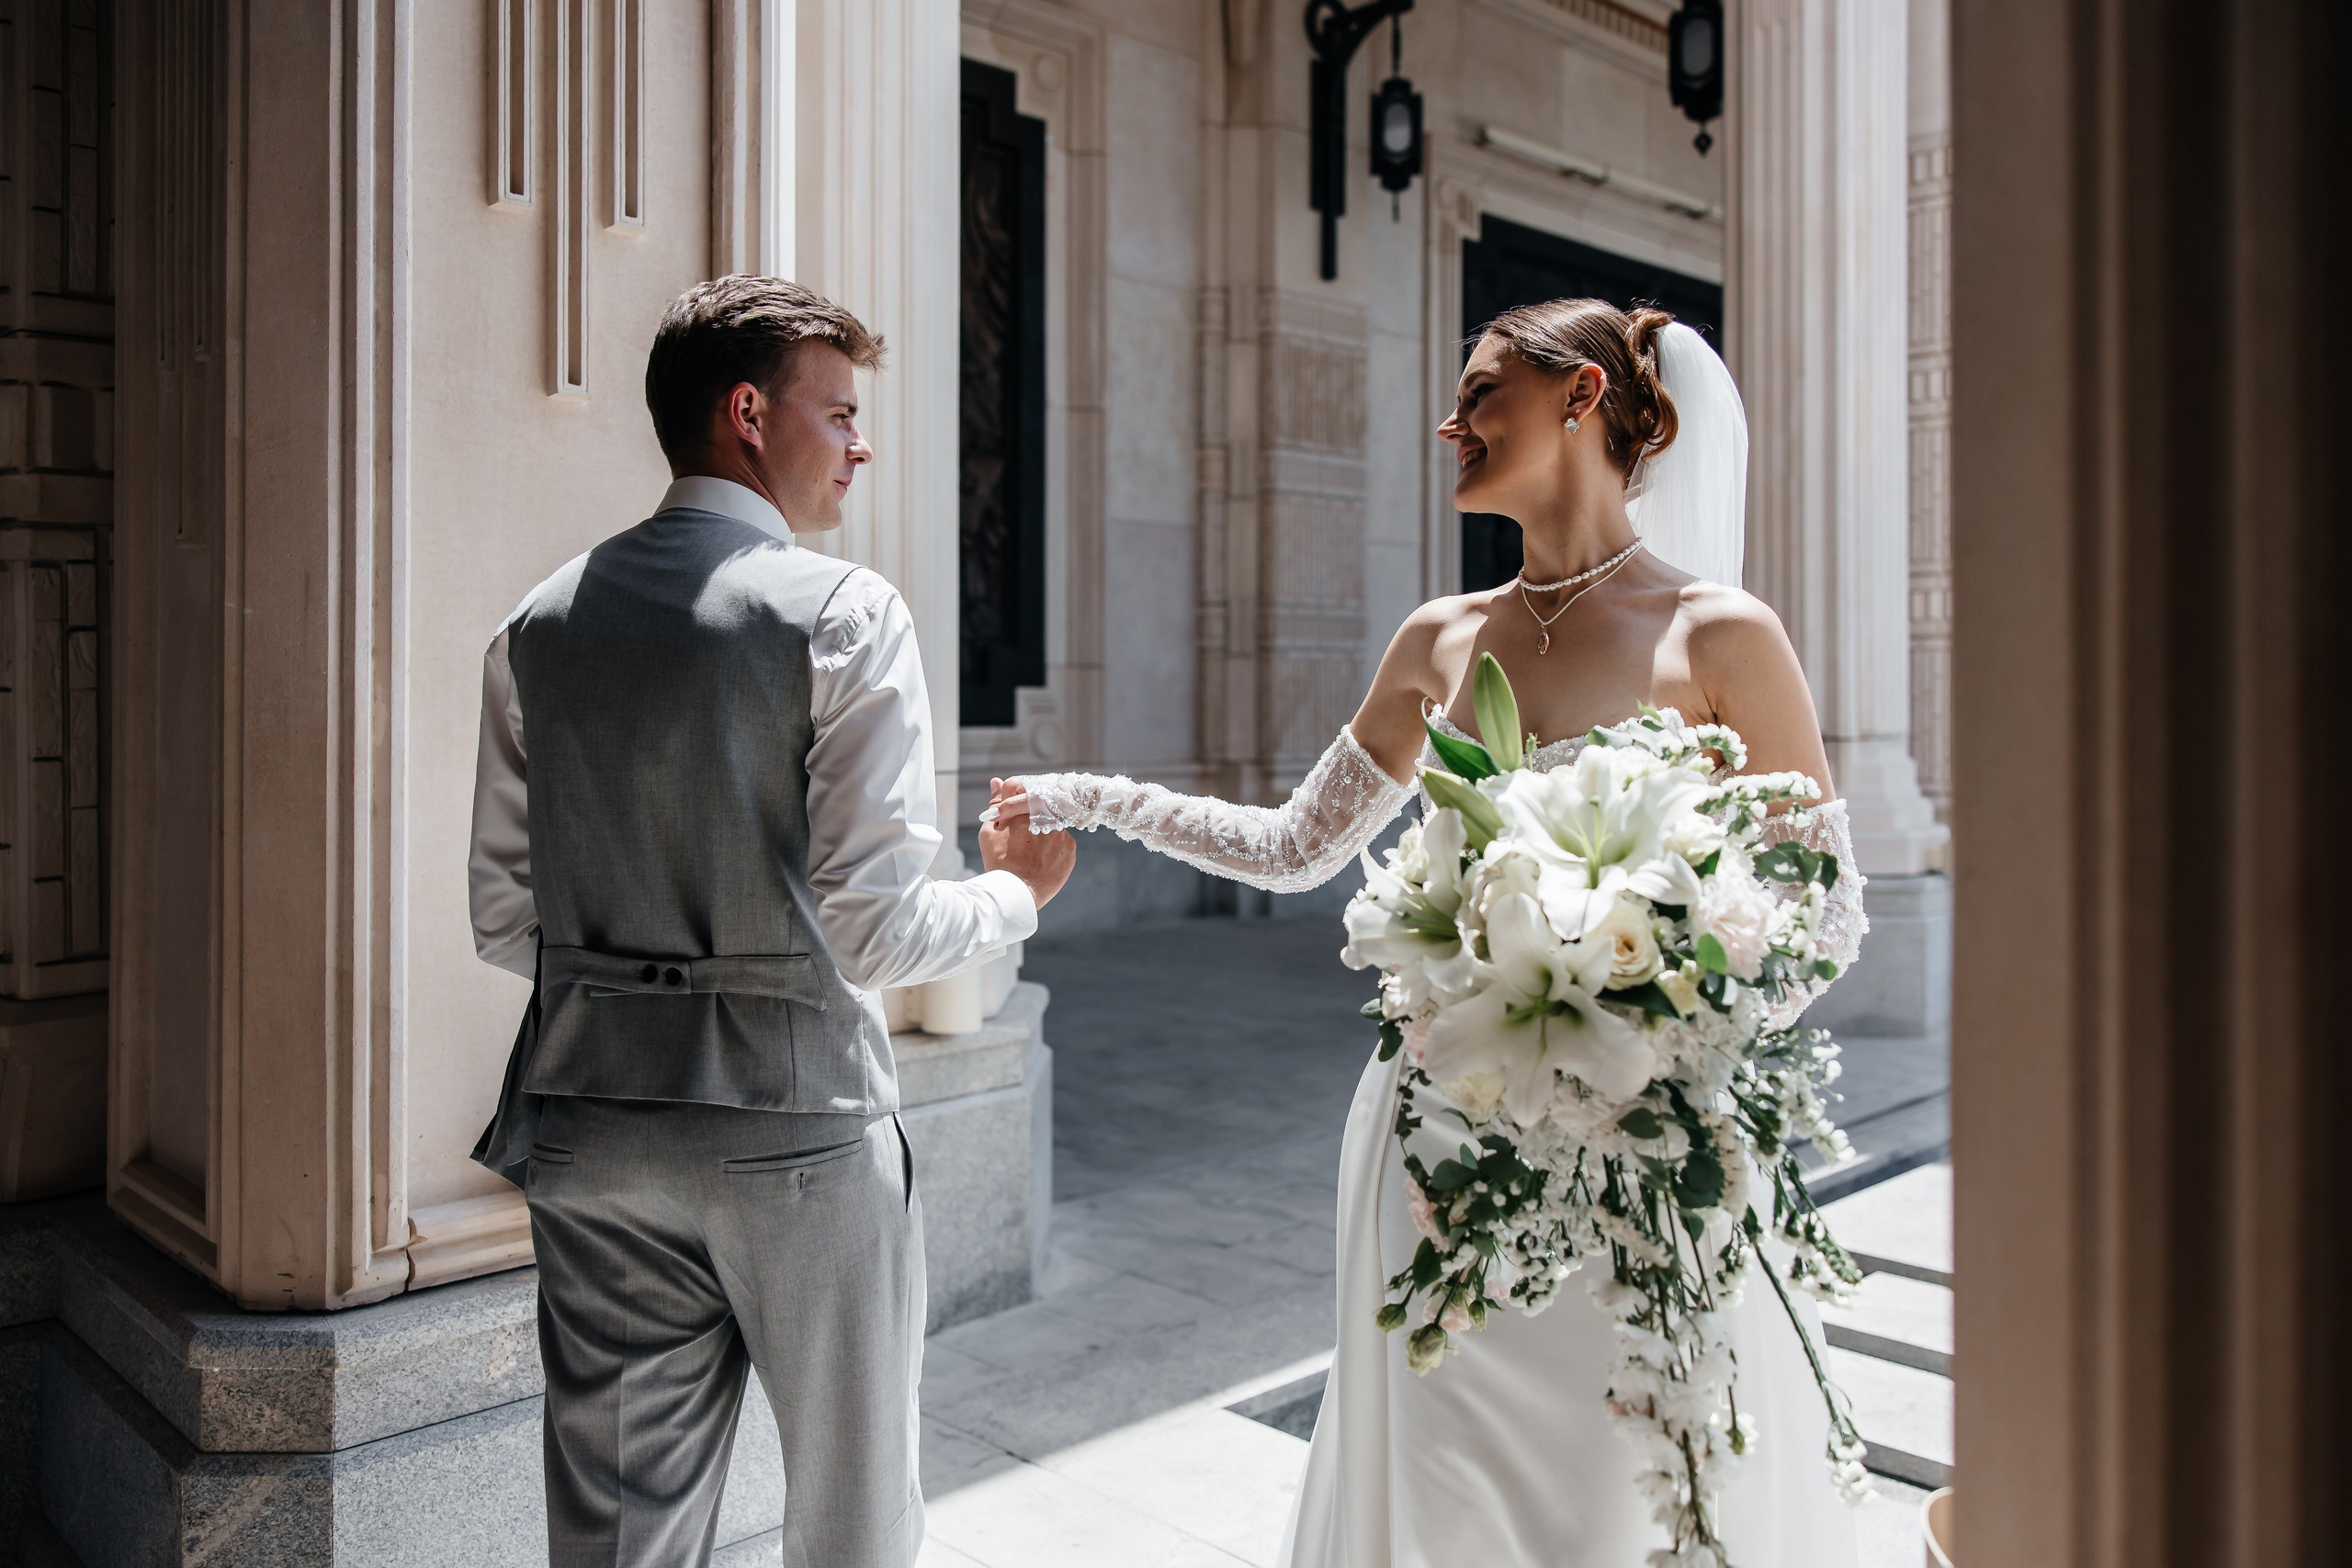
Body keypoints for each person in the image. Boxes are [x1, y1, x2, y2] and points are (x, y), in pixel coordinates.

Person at [988, 300, 1862, 1566]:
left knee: (1617, 1491)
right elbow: (1294, 846)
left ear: (1580, 398)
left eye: (1482, 391)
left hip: (1639, 1141)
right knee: (1446, 1484)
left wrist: (1663, 1018)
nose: (1452, 422)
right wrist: (1087, 799)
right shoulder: (1440, 638)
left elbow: (1824, 909)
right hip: (1440, 1143)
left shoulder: (1722, 634)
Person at [467, 275, 1075, 1568]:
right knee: (855, 1527)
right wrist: (1016, 893)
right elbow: (875, 931)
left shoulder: (535, 625)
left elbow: (507, 917)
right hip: (797, 1132)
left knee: (618, 1540)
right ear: (748, 413)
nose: (861, 445)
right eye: (840, 412)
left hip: (590, 1125)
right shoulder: (844, 612)